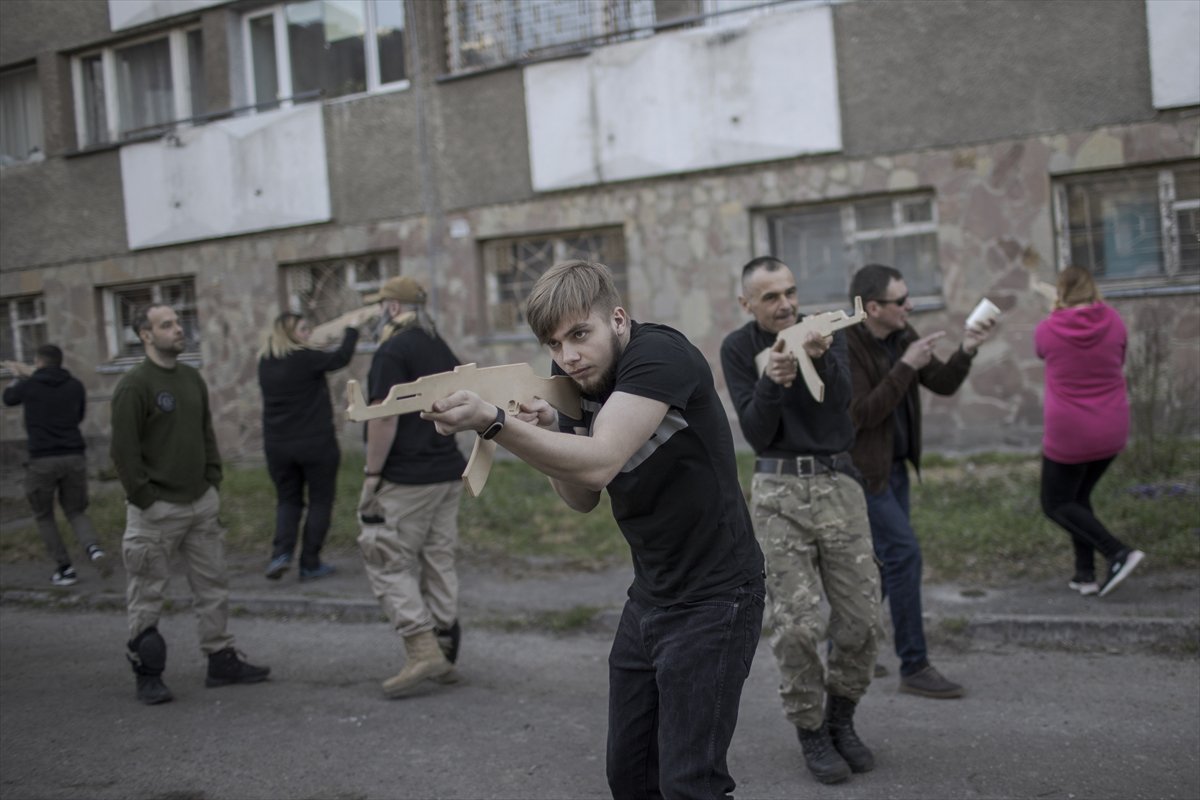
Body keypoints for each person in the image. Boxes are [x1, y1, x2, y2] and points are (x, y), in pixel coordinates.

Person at [423, 260, 766, 799]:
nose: (568, 356)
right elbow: (581, 496)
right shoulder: (576, 379)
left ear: (619, 320)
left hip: (715, 597)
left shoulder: (659, 356)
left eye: (580, 334)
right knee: (629, 777)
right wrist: (550, 431)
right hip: (651, 595)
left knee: (690, 783)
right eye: (555, 344)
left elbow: (600, 462)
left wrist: (495, 422)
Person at [719, 257, 879, 785]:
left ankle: (841, 717)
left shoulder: (824, 330)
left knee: (860, 619)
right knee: (797, 625)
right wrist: (773, 380)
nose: (785, 304)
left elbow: (839, 408)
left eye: (789, 291)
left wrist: (822, 359)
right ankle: (811, 728)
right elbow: (759, 432)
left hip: (837, 485)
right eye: (770, 297)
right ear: (747, 304)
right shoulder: (739, 349)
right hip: (779, 490)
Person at [845, 264, 993, 700]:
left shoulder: (902, 336)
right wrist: (905, 368)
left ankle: (844, 651)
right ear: (874, 308)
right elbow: (861, 414)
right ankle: (914, 664)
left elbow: (943, 382)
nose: (910, 306)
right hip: (864, 474)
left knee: (885, 569)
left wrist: (968, 348)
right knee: (904, 556)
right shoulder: (846, 346)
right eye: (901, 300)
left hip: (895, 469)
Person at [110, 304, 269, 705]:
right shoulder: (134, 385)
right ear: (145, 335)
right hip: (155, 510)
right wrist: (146, 499)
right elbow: (124, 453)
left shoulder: (191, 378)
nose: (179, 330)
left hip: (201, 503)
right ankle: (148, 672)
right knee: (147, 590)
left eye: (178, 323)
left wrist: (212, 479)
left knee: (213, 584)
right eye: (167, 325)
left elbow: (205, 434)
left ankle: (220, 659)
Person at [356, 275, 467, 698]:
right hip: (446, 470)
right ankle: (445, 650)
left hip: (406, 477)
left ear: (394, 308)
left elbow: (384, 418)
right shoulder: (438, 346)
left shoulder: (391, 351)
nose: (379, 313)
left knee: (384, 555)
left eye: (382, 304)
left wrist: (371, 477)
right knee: (438, 557)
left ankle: (422, 649)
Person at [1036, 266, 1144, 597]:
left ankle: (1117, 552)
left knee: (1054, 502)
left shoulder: (1048, 329)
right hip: (1111, 429)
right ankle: (1084, 574)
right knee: (1077, 498)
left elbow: (1042, 351)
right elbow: (1120, 356)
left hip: (1069, 433)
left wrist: (1055, 313)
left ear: (1061, 293)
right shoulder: (1114, 320)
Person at [257, 312, 359, 581]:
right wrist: (351, 330)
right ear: (289, 334)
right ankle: (310, 562)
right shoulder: (305, 359)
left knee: (288, 500)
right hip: (315, 444)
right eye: (303, 329)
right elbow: (341, 358)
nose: (308, 334)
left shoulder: (265, 363)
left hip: (278, 447)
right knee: (320, 501)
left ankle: (281, 554)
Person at [3, 345, 109, 586]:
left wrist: (18, 376)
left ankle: (65, 568)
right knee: (76, 510)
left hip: (42, 459)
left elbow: (8, 399)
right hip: (74, 456)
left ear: (38, 362)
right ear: (60, 362)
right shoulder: (75, 385)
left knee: (44, 515)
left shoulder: (28, 385)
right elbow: (79, 415)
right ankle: (93, 549)